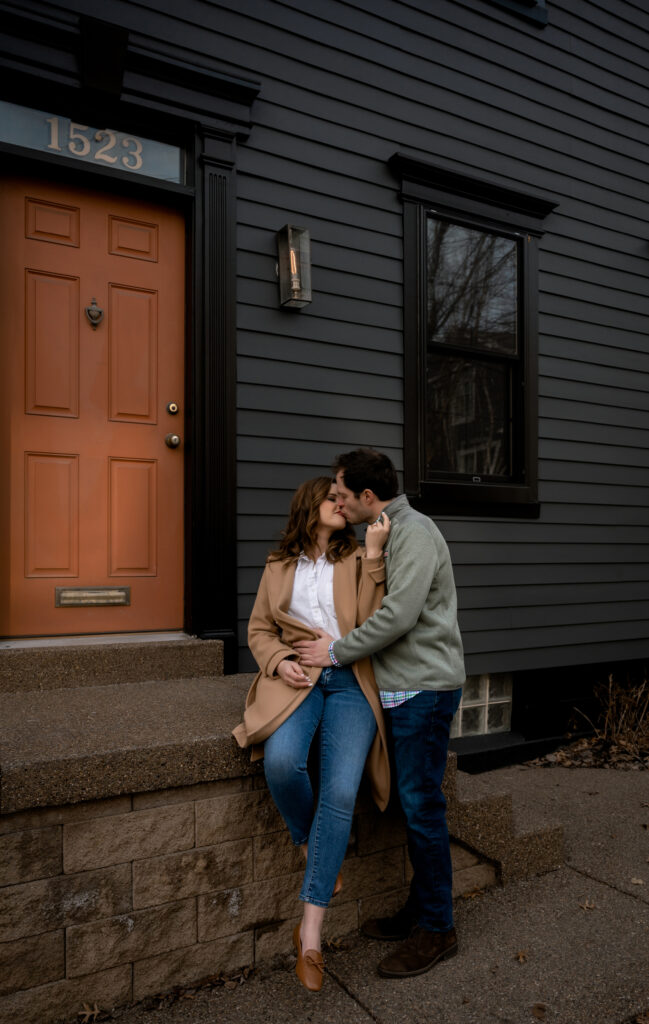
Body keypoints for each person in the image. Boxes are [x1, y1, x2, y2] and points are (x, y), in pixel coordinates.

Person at [294, 448, 465, 979]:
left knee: (421, 806)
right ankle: (421, 911)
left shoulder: (414, 533)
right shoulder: (390, 530)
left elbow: (398, 615)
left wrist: (337, 651)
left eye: (343, 494)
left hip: (424, 690)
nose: (338, 501)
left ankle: (438, 928)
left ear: (369, 496)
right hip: (399, 689)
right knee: (413, 805)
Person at [233, 476, 391, 992]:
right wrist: (279, 662)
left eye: (344, 499)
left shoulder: (355, 557)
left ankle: (311, 935)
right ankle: (311, 843)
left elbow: (378, 617)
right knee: (281, 764)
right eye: (332, 499)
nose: (341, 505)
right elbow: (259, 629)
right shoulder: (279, 565)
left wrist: (373, 555)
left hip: (349, 682)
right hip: (297, 681)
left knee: (341, 791)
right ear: (310, 506)